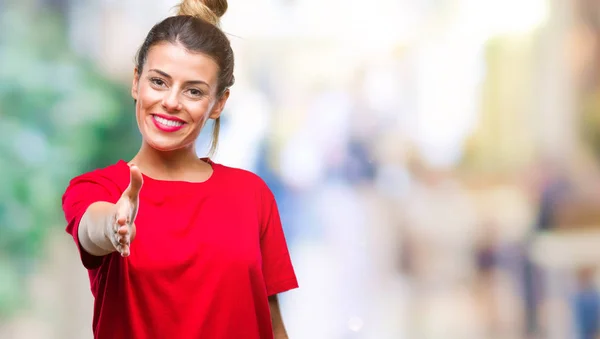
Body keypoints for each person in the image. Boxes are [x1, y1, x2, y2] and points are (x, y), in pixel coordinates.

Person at [61, 1, 298, 338]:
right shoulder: (98, 188)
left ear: (218, 103)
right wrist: (115, 224)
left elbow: (273, 326)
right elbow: (92, 229)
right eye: (158, 82)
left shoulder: (252, 195)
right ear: (136, 82)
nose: (171, 101)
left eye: (193, 91)